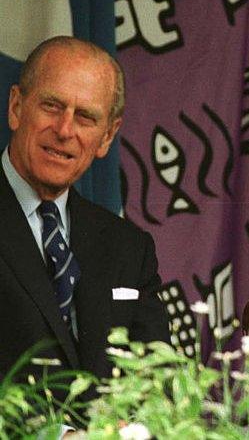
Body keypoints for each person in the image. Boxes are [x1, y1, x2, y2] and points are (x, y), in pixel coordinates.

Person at [0, 36, 169, 380]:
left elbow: (158, 379)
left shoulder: (130, 248)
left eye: (85, 118)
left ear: (107, 136)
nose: (64, 130)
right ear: (16, 107)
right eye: (51, 106)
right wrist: (54, 435)